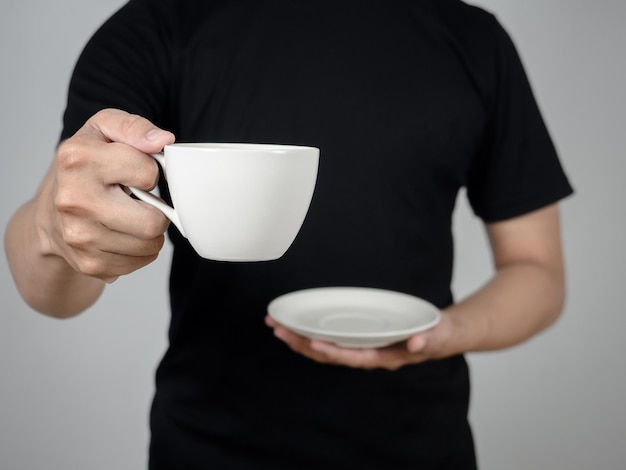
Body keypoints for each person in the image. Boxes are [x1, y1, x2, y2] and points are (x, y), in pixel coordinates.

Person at [4, 0, 573, 468]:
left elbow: (537, 271)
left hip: (424, 447)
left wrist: (445, 333)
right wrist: (55, 233)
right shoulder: (157, 25)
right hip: (207, 451)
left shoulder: (474, 38)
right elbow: (52, 287)